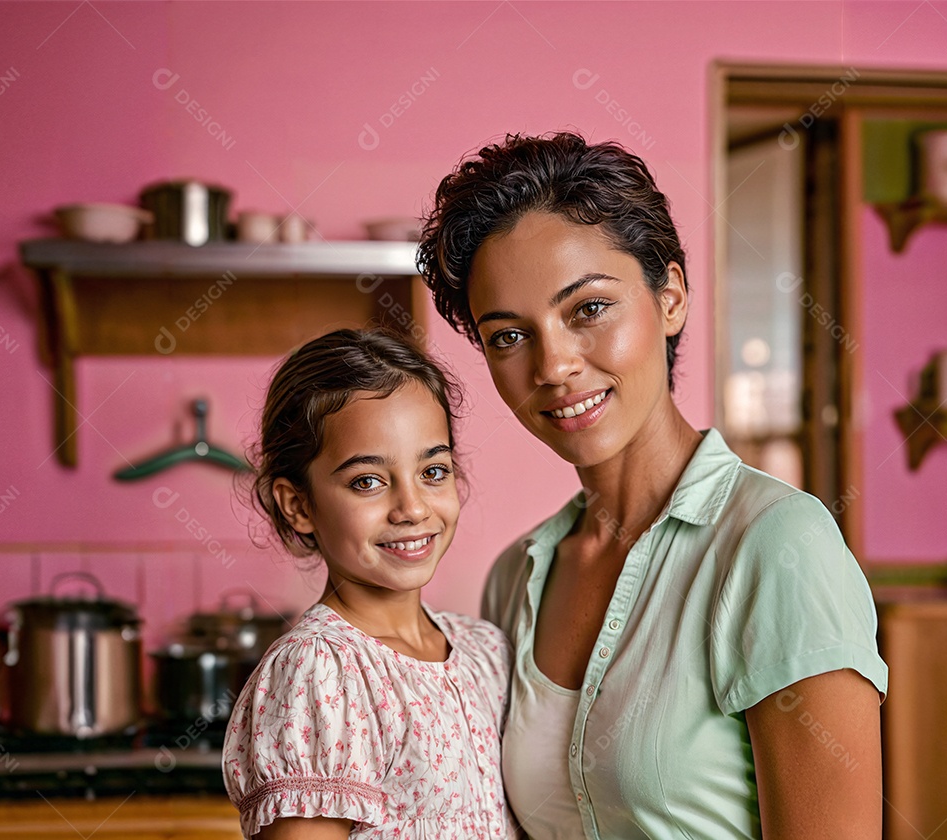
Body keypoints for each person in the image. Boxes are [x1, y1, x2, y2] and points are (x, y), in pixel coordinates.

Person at [418, 132, 888, 840]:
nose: (554, 366)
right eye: (509, 336)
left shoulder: (777, 547)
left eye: (589, 309)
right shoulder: (516, 578)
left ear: (670, 298)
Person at [222, 328, 515, 840]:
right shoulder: (320, 672)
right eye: (368, 481)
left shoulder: (486, 651)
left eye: (433, 470)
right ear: (299, 504)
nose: (413, 508)